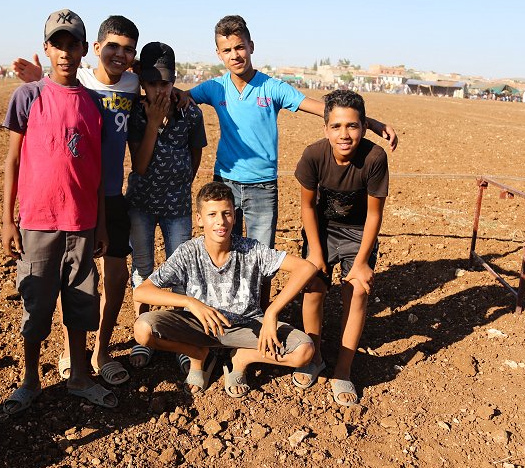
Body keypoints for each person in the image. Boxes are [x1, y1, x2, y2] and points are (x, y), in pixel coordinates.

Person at [182, 15, 397, 250]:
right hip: (225, 182)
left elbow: (322, 108)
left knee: (261, 257)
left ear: (251, 46)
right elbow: (180, 98)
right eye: (227, 50)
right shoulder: (214, 88)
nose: (235, 55)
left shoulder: (273, 87)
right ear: (219, 54)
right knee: (223, 250)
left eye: (240, 47)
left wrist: (371, 123)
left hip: (262, 187)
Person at [13, 16, 140, 386]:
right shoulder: (64, 86)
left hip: (104, 201)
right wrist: (37, 76)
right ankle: (50, 368)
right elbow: (51, 86)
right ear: (95, 49)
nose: (118, 54)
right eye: (111, 46)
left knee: (101, 286)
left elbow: (155, 79)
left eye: (127, 49)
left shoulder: (124, 88)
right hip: (56, 208)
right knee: (49, 295)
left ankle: (95, 356)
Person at [1, 8, 116, 411]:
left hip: (82, 223)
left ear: (85, 49)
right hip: (38, 223)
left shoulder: (92, 106)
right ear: (46, 49)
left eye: (73, 45)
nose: (66, 53)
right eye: (58, 45)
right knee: (37, 301)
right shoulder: (28, 97)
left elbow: (97, 172)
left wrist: (100, 224)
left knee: (82, 301)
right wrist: (6, 220)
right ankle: (30, 378)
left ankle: (80, 376)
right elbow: (12, 161)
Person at [132, 182, 318, 397]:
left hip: (247, 326)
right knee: (143, 330)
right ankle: (197, 355)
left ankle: (242, 358)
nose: (220, 222)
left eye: (226, 213)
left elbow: (306, 268)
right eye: (212, 214)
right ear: (200, 219)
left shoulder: (251, 249)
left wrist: (272, 312)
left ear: (234, 217)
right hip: (199, 327)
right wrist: (190, 302)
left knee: (304, 352)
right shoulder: (188, 252)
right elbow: (141, 291)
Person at [293, 89, 388, 406]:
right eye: (336, 126)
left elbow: (374, 214)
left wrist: (362, 262)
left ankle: (343, 370)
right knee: (313, 286)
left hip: (359, 233)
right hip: (322, 229)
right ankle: (314, 355)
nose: (344, 134)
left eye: (352, 126)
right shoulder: (313, 155)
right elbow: (307, 207)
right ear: (325, 128)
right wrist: (315, 253)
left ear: (363, 126)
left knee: (358, 290)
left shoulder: (374, 159)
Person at [126, 42, 207, 371]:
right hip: (142, 204)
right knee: (143, 270)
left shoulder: (190, 111)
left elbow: (196, 150)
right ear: (142, 82)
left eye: (166, 82)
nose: (160, 89)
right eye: (153, 83)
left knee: (181, 273)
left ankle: (179, 338)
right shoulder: (135, 112)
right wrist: (154, 122)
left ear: (174, 80)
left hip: (177, 206)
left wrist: (185, 180)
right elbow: (140, 165)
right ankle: (142, 334)